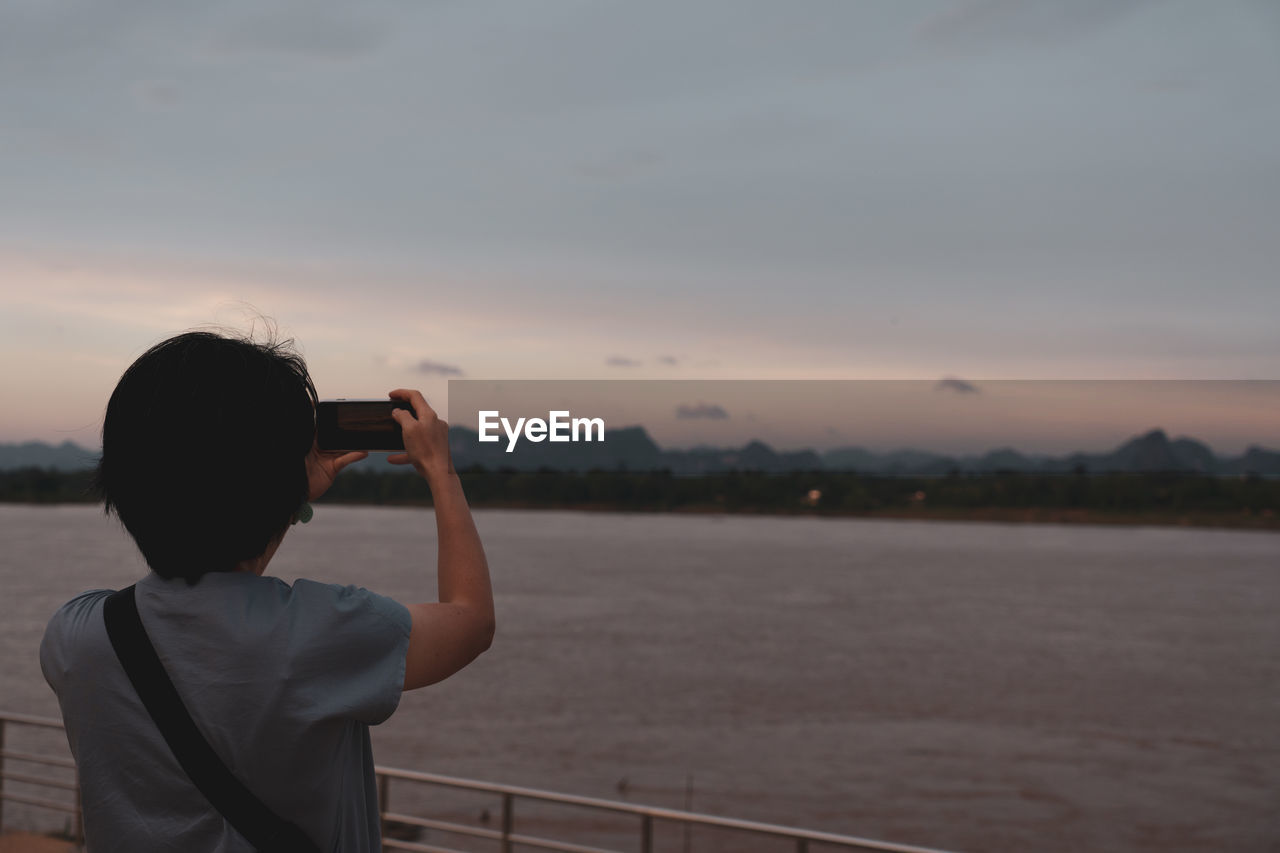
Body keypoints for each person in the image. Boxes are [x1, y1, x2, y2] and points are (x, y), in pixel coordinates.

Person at [39, 330, 494, 852]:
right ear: (278, 486)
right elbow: (471, 619)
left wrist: (283, 494)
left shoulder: (76, 637)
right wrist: (441, 468)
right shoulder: (324, 632)